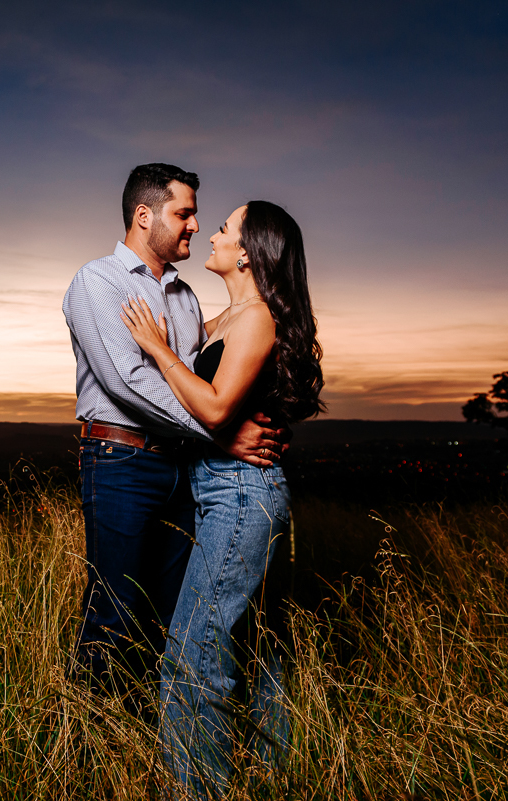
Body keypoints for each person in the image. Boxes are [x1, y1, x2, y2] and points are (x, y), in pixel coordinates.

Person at [62, 164, 289, 707]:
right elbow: (128, 381)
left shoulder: (185, 297)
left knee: (167, 612)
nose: (194, 226)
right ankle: (85, 741)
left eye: (196, 216)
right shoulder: (98, 282)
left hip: (179, 469)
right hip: (120, 460)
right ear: (145, 216)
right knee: (115, 607)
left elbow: (194, 378)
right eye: (183, 214)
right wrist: (221, 434)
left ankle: (142, 738)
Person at [121, 200, 324, 797]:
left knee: (192, 655)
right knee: (259, 654)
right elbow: (211, 411)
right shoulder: (221, 323)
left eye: (226, 228)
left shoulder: (258, 318)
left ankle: (195, 790)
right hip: (222, 491)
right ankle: (278, 778)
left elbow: (209, 405)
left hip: (242, 497)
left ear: (248, 252)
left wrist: (158, 348)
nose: (212, 234)